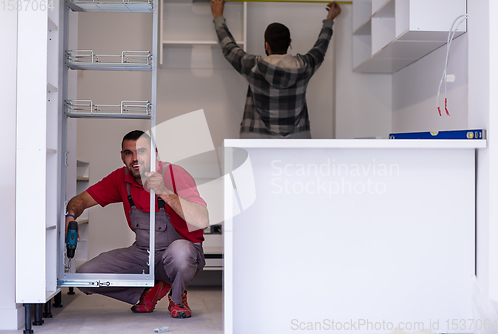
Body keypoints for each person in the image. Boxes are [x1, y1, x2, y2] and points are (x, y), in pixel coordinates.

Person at [64, 130, 209, 318]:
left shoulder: (174, 173)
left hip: (182, 252)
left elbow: (203, 220)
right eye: (128, 153)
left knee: (180, 253)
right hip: (144, 252)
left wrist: (164, 192)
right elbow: (81, 200)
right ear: (122, 156)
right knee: (85, 277)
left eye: (141, 151)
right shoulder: (120, 179)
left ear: (154, 152)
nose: (135, 158)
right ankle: (148, 292)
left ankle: (177, 297)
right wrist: (70, 216)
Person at [211, 0, 341, 139]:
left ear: (267, 45)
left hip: (257, 143)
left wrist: (218, 15)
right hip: (296, 145)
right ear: (289, 42)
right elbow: (321, 47)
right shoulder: (305, 66)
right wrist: (330, 19)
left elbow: (229, 48)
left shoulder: (253, 66)